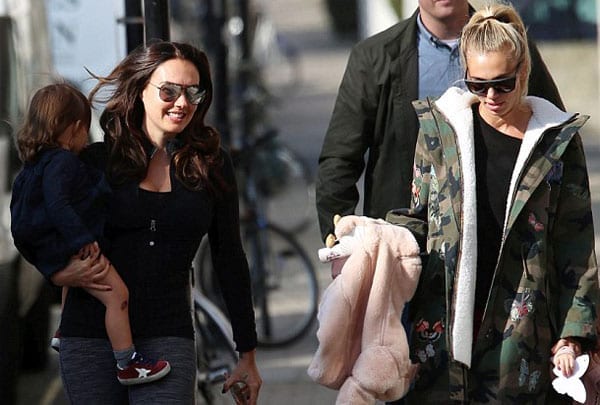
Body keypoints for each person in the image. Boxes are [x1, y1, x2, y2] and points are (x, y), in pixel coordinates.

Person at [378, 3, 598, 402]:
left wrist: (573, 336)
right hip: (443, 336)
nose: (491, 96)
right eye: (478, 85)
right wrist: (374, 246)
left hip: (523, 340)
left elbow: (576, 248)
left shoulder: (557, 143)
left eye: (503, 84)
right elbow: (419, 220)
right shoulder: (439, 132)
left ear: (524, 71)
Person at [49, 41, 262, 404]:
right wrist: (57, 272)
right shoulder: (96, 161)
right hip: (90, 336)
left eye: (193, 92)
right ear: (140, 91)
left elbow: (229, 257)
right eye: (169, 91)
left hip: (168, 335)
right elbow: (39, 223)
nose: (182, 103)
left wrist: (247, 352)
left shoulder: (211, 166)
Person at [316, 0, 564, 243]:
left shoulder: (511, 47)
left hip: (500, 239)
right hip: (407, 243)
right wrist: (340, 240)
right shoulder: (375, 57)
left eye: (500, 84)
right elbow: (340, 159)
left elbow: (554, 140)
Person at [10, 83, 171, 386]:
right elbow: (59, 204)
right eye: (85, 130)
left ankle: (65, 329)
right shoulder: (63, 162)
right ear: (74, 129)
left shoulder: (33, 165)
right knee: (117, 296)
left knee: (77, 283)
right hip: (67, 243)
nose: (87, 140)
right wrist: (82, 239)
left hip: (46, 246)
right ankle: (127, 361)